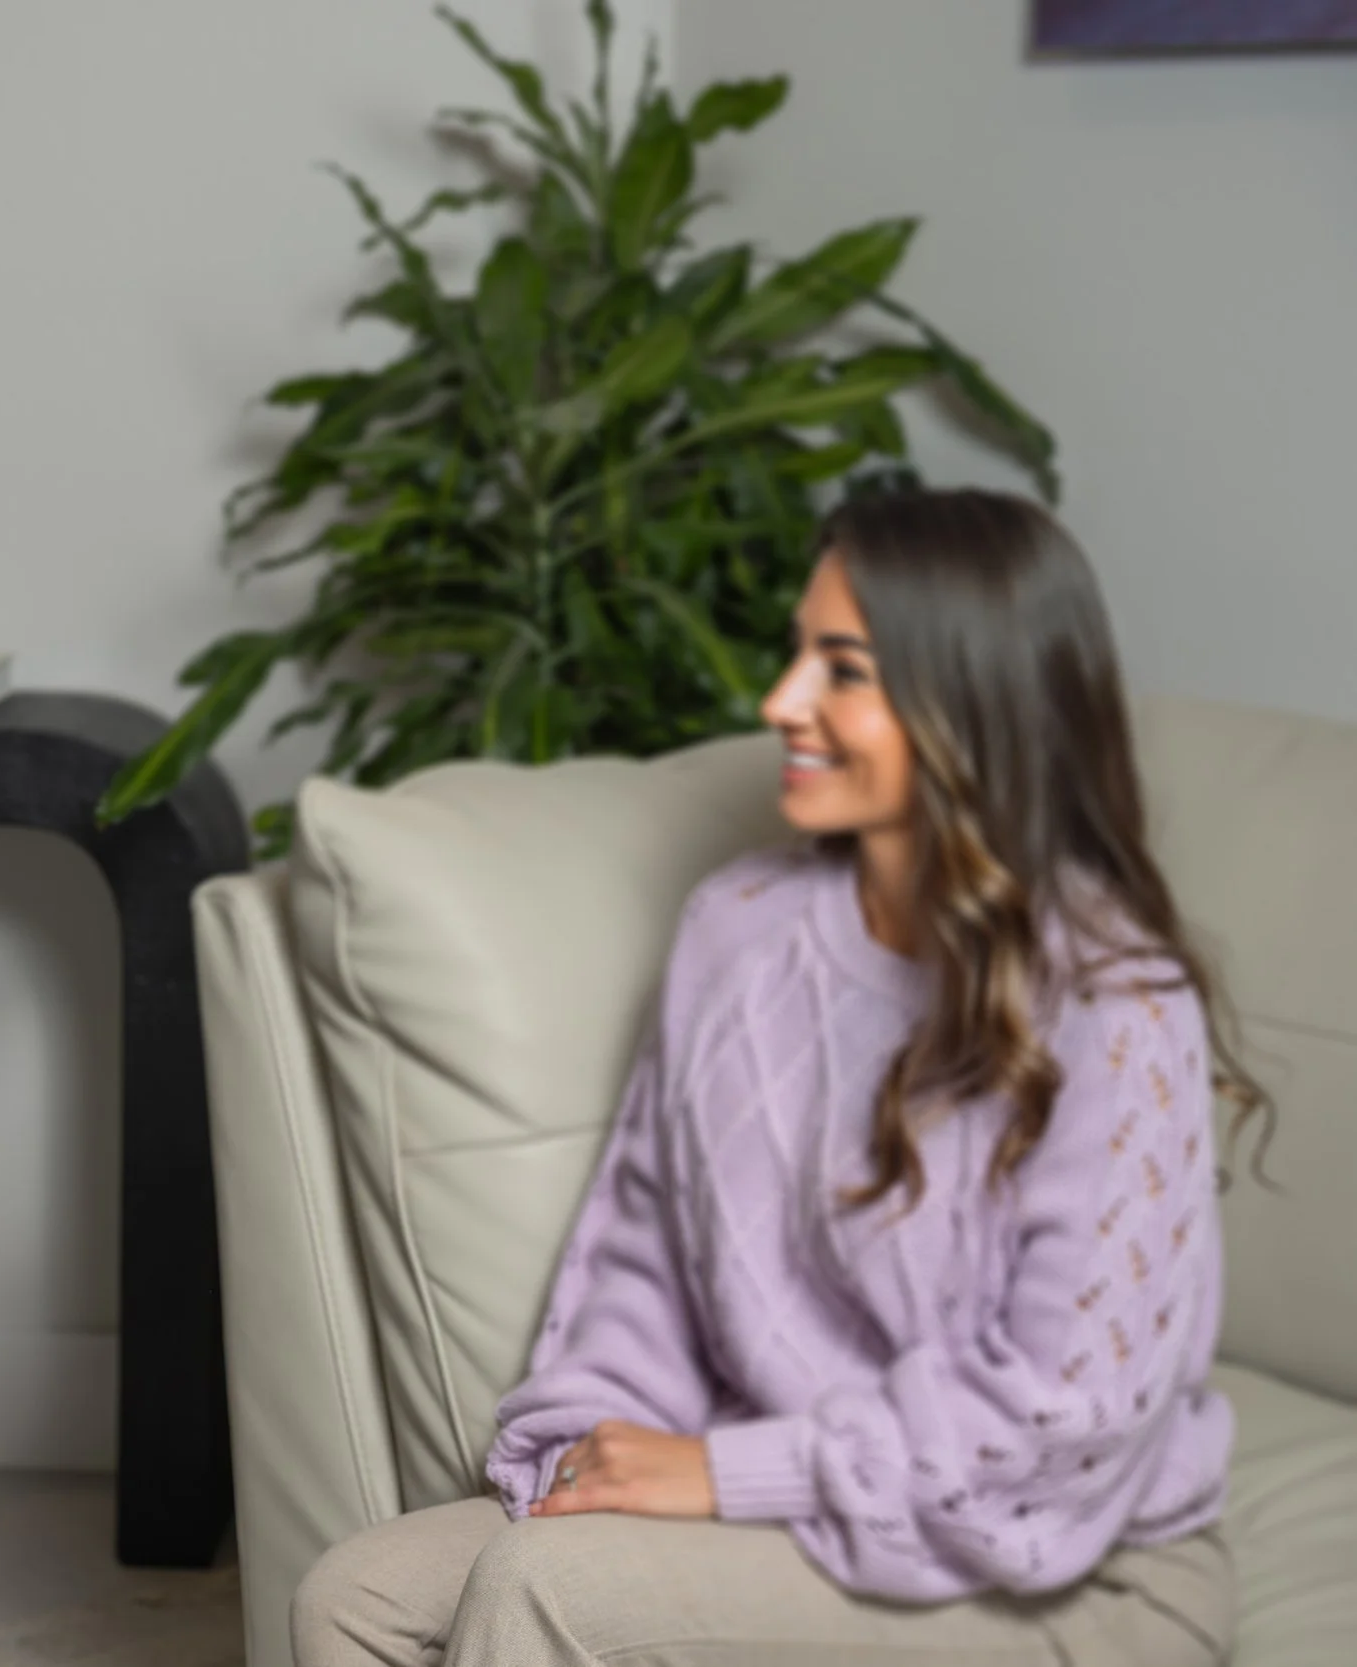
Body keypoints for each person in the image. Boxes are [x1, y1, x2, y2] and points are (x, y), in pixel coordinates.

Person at [293, 490, 1261, 1666]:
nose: (780, 703)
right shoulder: (740, 929)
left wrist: (728, 1472)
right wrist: (586, 1446)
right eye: (799, 654)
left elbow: (1064, 1415)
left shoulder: (1115, 998)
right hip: (807, 1498)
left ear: (968, 702)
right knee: (354, 1597)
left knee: (547, 1590)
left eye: (840, 670)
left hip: (1074, 1565)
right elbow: (643, 1258)